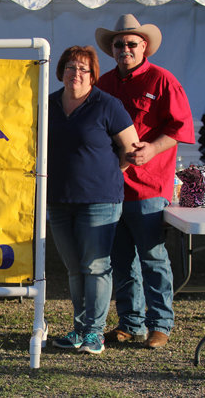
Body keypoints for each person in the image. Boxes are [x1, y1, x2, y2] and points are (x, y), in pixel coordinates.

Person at [95, 14, 195, 349]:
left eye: (131, 43)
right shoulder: (103, 84)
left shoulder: (162, 80)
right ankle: (130, 322)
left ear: (144, 47)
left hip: (149, 185)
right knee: (121, 259)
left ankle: (161, 324)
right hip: (110, 186)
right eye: (119, 44)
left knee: (152, 258)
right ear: (112, 49)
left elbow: (180, 128)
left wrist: (152, 148)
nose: (125, 48)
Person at [47, 46, 139, 354]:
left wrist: (104, 173)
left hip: (99, 200)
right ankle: (79, 328)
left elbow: (130, 149)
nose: (76, 74)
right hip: (59, 199)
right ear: (61, 71)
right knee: (74, 267)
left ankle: (94, 333)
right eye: (71, 67)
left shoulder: (108, 105)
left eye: (83, 69)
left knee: (96, 265)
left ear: (93, 75)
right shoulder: (48, 105)